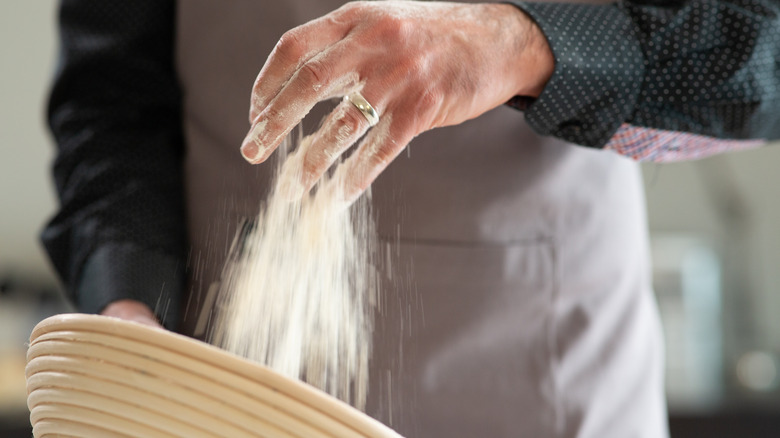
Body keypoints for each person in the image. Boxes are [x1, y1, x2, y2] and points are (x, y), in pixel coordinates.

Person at [43, 0, 779, 437]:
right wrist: (129, 308)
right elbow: (111, 102)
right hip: (223, 385)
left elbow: (763, 47)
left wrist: (522, 42)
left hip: (547, 383)